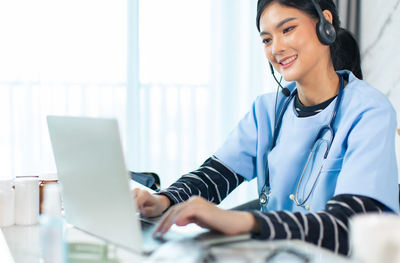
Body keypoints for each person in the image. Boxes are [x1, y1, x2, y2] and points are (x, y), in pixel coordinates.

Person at [134, 0, 399, 256]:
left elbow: (348, 227)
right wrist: (164, 200)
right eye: (267, 39)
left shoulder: (369, 111)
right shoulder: (267, 110)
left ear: (325, 23)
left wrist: (246, 222)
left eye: (287, 29)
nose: (276, 48)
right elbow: (214, 175)